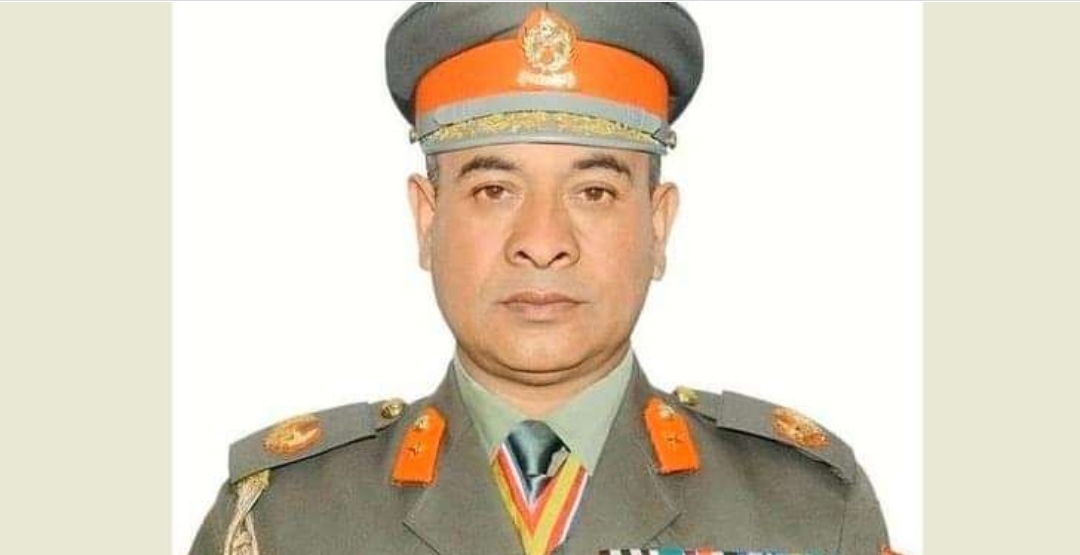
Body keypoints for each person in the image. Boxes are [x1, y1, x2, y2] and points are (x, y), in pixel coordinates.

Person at [190, 3, 901, 554]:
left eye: (594, 192)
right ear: (427, 220)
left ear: (657, 226)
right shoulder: (284, 518)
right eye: (494, 190)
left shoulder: (805, 509)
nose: (541, 242)